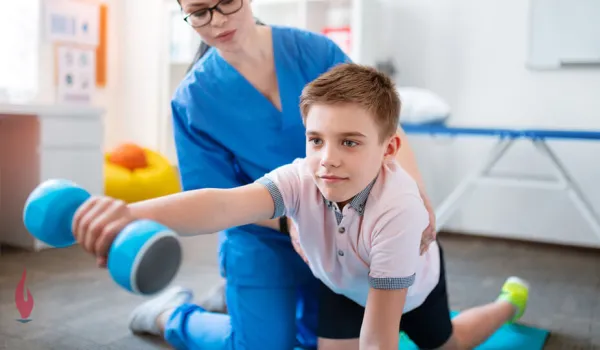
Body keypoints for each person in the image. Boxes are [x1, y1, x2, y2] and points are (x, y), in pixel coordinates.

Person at [72, 63, 529, 350]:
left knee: (454, 343)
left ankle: (509, 302)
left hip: (409, 290)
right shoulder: (303, 175)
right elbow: (222, 205)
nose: (328, 157)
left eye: (349, 142)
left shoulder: (399, 211)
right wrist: (128, 214)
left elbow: (379, 335)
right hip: (340, 281)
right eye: (316, 140)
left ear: (389, 149)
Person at [96, 0, 436, 348]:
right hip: (259, 236)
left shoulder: (315, 52)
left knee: (316, 339)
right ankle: (171, 316)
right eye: (199, 12)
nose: (217, 21)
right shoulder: (193, 100)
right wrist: (128, 214)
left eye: (226, 2)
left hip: (337, 233)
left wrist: (416, 196)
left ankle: (236, 301)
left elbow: (381, 123)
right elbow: (218, 201)